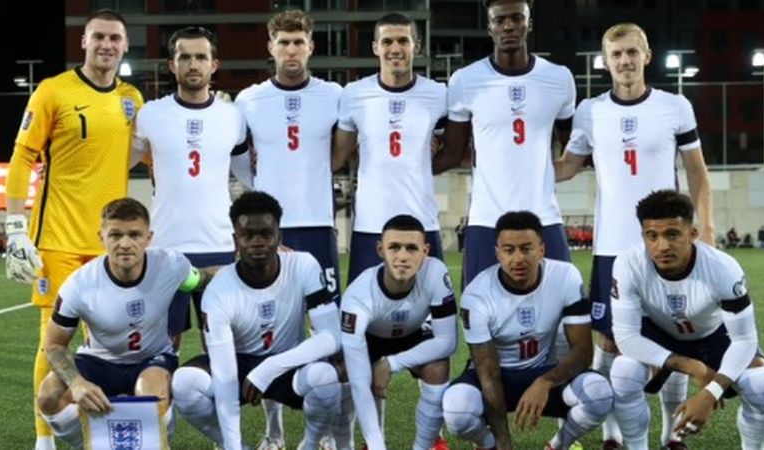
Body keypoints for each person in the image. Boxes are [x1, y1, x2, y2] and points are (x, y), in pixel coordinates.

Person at [554, 23, 715, 449]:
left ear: (647, 55)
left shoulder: (674, 106)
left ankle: (670, 435)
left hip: (665, 247)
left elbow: (697, 171)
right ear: (604, 62)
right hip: (611, 248)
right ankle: (611, 435)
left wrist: (708, 227)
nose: (624, 61)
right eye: (616, 54)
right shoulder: (590, 111)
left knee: (675, 332)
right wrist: (514, 160)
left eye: (631, 52)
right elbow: (567, 166)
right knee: (607, 341)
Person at [2, 10, 144, 449]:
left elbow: (149, 156)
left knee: (108, 346)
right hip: (60, 241)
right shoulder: (53, 91)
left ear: (124, 46)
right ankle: (45, 438)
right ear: (83, 41)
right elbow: (22, 156)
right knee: (52, 339)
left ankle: (99, 431)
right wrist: (14, 227)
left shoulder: (132, 99)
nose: (106, 44)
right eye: (98, 36)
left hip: (111, 246)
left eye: (115, 38)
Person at [235, 13, 343, 447]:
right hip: (270, 233)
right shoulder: (249, 99)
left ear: (311, 47)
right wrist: (259, 191)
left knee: (329, 334)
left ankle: (338, 432)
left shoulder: (334, 95)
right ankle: (274, 430)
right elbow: (238, 157)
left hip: (318, 227)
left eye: (299, 41)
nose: (292, 50)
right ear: (270, 47)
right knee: (270, 332)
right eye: (284, 42)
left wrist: (317, 175)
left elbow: (343, 149)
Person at [35, 198, 217, 448]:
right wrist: (77, 384)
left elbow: (203, 279)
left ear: (149, 237)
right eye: (115, 235)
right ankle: (96, 443)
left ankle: (159, 442)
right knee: (48, 396)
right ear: (102, 237)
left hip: (152, 358)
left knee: (150, 395)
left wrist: (247, 266)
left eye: (134, 234)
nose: (125, 244)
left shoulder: (171, 265)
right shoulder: (79, 285)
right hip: (99, 361)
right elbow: (54, 345)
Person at [171, 191, 342, 450]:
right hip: (239, 366)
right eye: (248, 235)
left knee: (326, 377)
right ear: (235, 240)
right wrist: (233, 445)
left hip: (288, 364)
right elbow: (226, 376)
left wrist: (270, 367)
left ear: (279, 236)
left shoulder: (304, 265)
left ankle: (309, 444)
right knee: (184, 383)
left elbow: (331, 337)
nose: (257, 242)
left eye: (265, 233)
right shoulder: (218, 290)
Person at [610, 190, 764, 450]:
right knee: (624, 372)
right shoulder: (628, 264)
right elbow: (627, 337)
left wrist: (711, 393)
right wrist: (695, 368)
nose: (662, 245)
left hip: (712, 336)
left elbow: (744, 340)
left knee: (760, 383)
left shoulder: (723, 268)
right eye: (652, 236)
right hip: (660, 334)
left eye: (672, 234)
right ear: (643, 237)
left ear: (692, 234)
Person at [434, 0, 576, 289]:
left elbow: (574, 148)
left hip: (544, 215)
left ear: (529, 22)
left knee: (566, 310)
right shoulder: (465, 80)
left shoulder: (559, 78)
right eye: (500, 21)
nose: (509, 26)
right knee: (478, 311)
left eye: (516, 18)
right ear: (489, 27)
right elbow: (453, 153)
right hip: (487, 219)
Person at [442, 211, 612, 450]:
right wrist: (503, 443)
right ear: (498, 253)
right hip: (497, 377)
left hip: (546, 372)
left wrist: (544, 382)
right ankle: (489, 445)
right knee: (456, 410)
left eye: (526, 248)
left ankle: (557, 445)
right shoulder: (477, 294)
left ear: (541, 250)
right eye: (509, 250)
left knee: (600, 394)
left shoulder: (565, 276)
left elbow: (583, 352)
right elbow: (488, 372)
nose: (518, 258)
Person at [132, 25, 249, 351]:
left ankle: (223, 403)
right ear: (172, 65)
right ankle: (163, 404)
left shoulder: (232, 116)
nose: (193, 64)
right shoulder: (150, 114)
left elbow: (248, 174)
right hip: (165, 246)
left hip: (219, 244)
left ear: (214, 65)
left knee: (221, 341)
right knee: (165, 343)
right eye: (185, 57)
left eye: (201, 57)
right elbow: (120, 163)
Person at [333, 12, 447, 284]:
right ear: (375, 47)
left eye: (403, 41)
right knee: (366, 311)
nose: (395, 49)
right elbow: (337, 157)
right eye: (387, 42)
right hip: (371, 224)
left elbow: (453, 150)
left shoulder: (438, 94)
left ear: (416, 46)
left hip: (423, 222)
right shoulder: (354, 94)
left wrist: (431, 151)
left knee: (433, 315)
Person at [341, 214, 457, 450]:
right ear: (380, 249)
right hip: (371, 338)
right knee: (341, 371)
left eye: (412, 248)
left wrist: (391, 364)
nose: (403, 256)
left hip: (413, 333)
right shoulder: (357, 296)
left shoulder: (435, 272)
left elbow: (447, 341)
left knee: (438, 366)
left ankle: (426, 445)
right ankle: (368, 441)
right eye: (394, 247)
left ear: (425, 251)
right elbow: (359, 382)